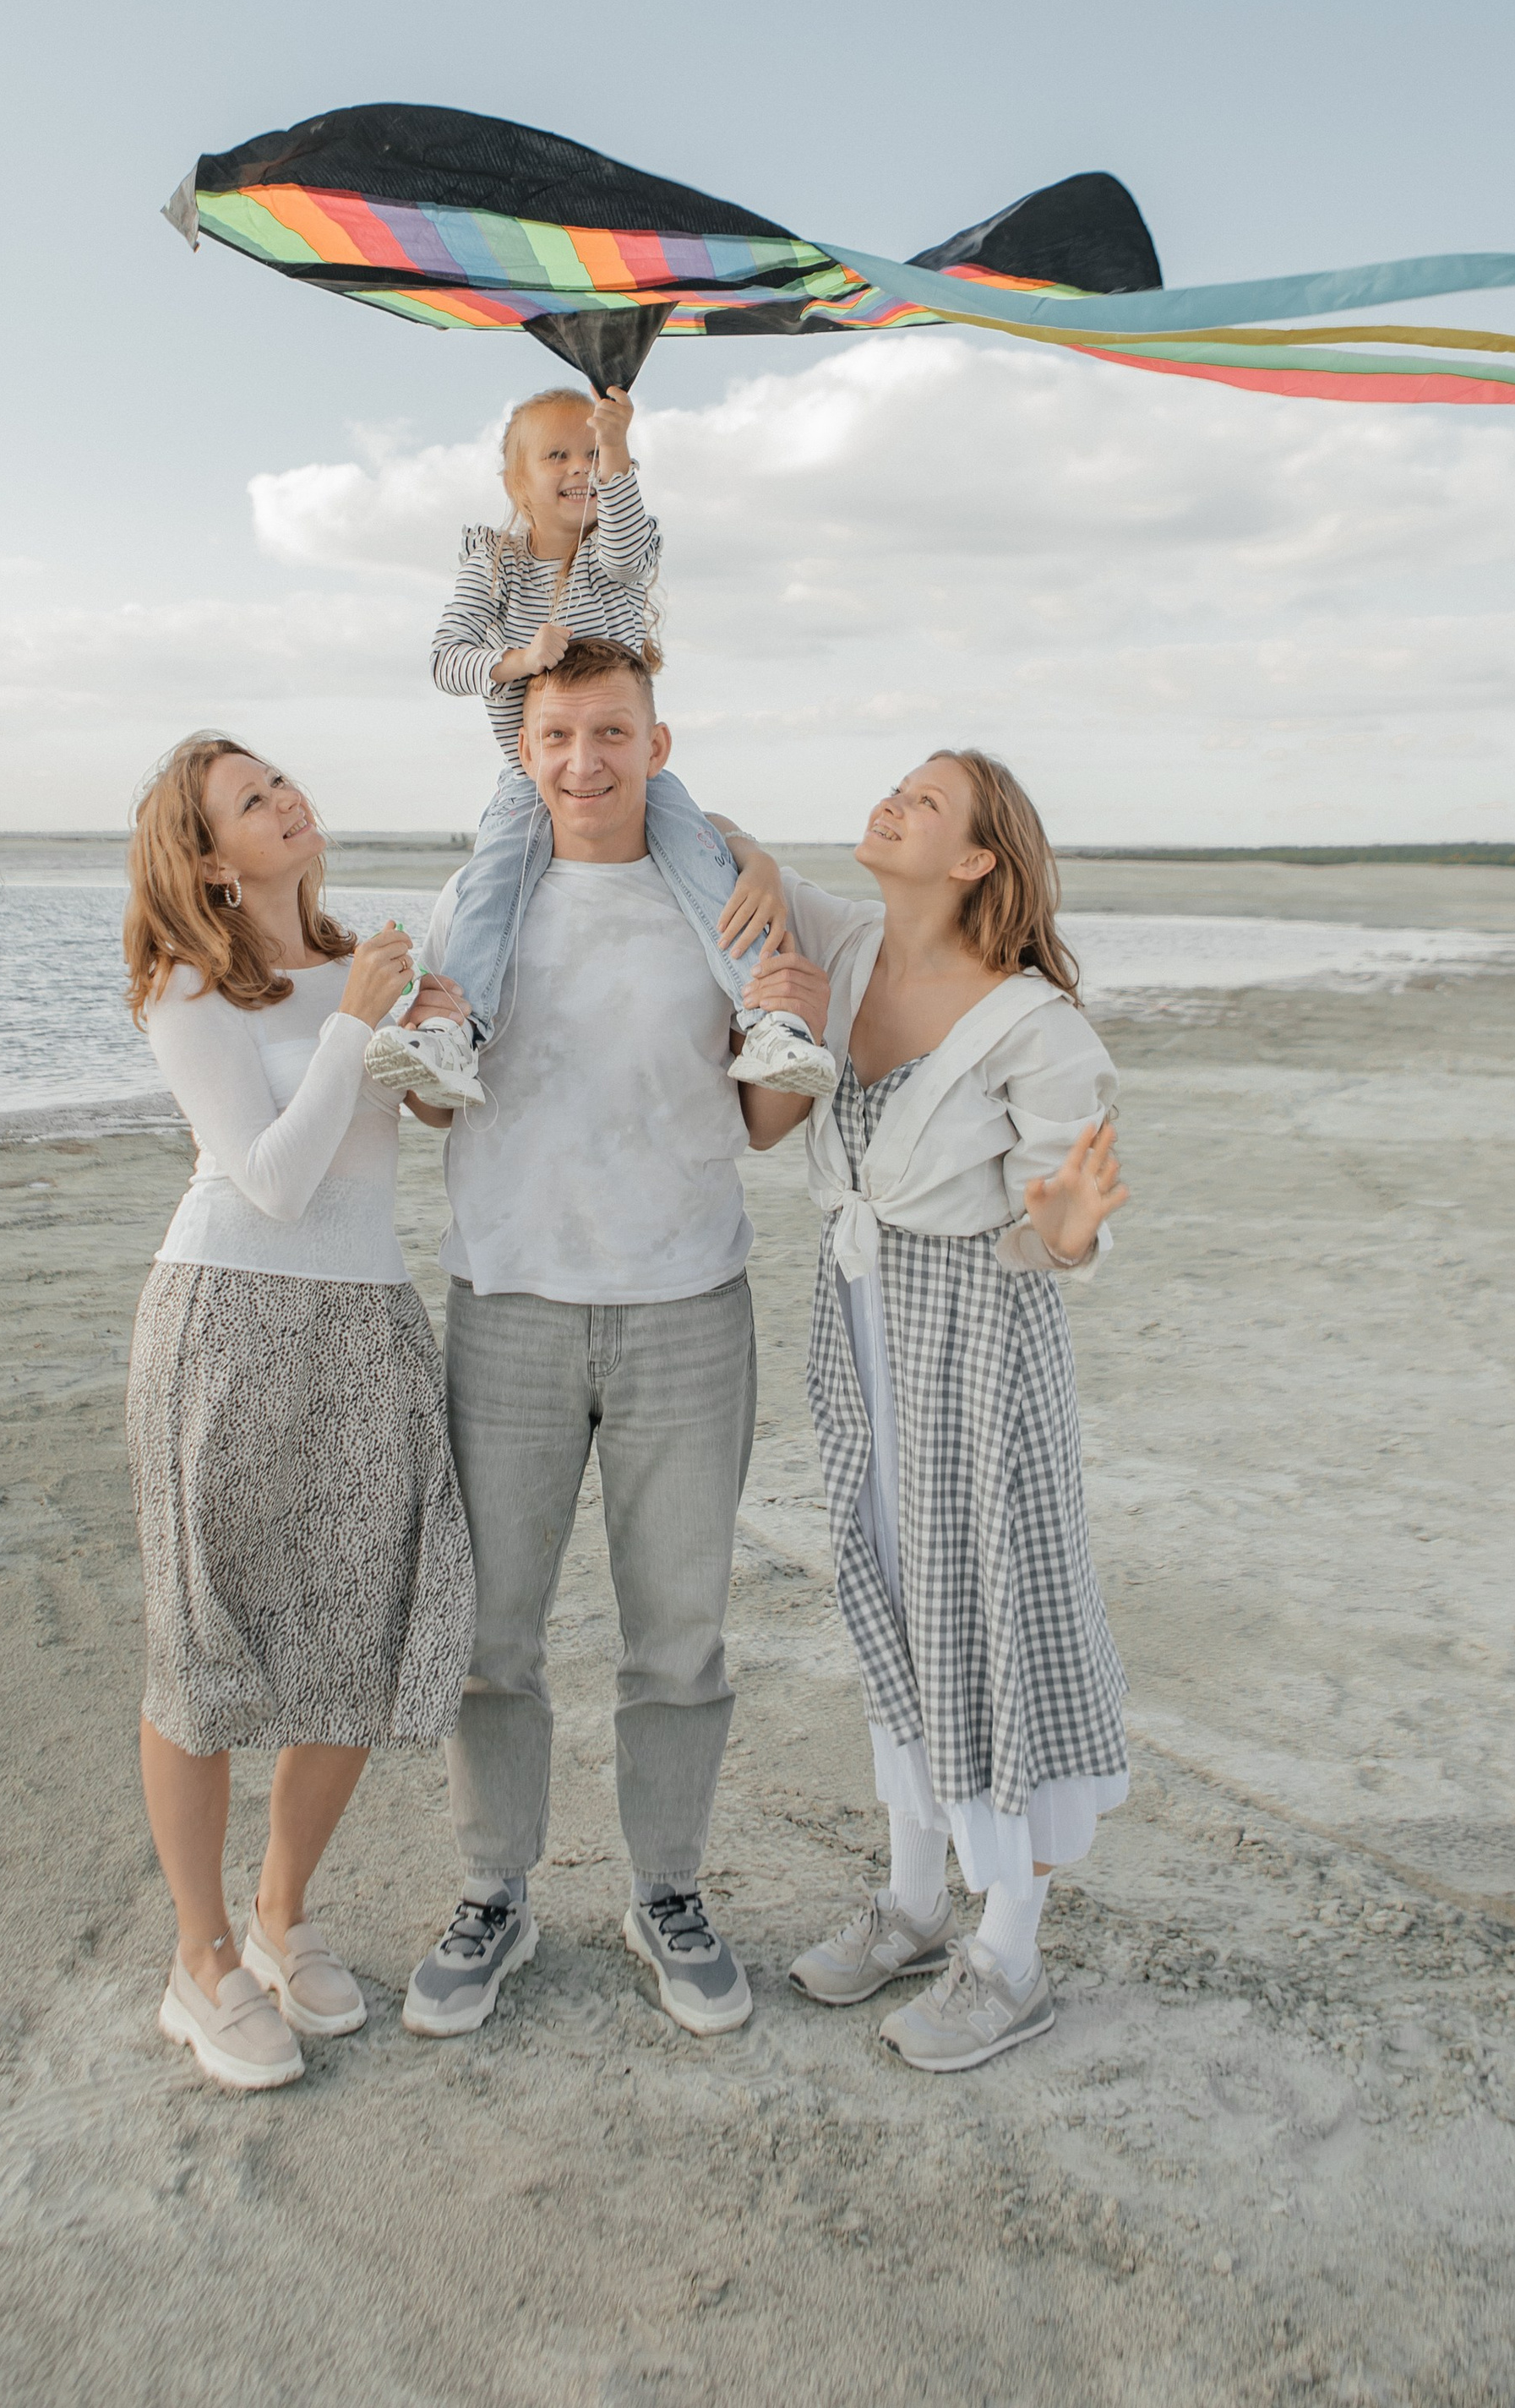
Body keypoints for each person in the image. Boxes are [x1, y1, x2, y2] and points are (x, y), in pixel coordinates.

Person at [395, 635, 816, 2044]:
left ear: (659, 741)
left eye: (614, 732)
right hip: (507, 1302)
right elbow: (435, 1106)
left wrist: (798, 1034)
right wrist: (429, 1034)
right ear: (526, 752)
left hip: (688, 1304)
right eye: (560, 734)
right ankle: (492, 1892)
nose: (587, 760)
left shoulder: (725, 900)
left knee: (679, 1638)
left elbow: (766, 1118)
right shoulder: (478, 895)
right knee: (490, 1635)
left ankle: (669, 1894)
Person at [722, 749, 1131, 2073]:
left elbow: (1063, 1219)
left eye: (928, 801)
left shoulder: (1033, 1024)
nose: (891, 800)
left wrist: (1067, 1231)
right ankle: (911, 1900)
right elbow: (707, 831)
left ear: (975, 863)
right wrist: (755, 859)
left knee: (991, 1613)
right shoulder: (839, 954)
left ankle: (1009, 1947)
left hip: (978, 1341)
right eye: (893, 783)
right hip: (859, 1332)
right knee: (890, 1599)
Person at [122, 733, 477, 2093]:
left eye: (280, 781)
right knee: (204, 1643)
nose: (287, 801)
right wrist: (354, 1023)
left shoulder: (364, 965)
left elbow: (421, 1124)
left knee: (362, 1628)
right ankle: (199, 1958)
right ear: (209, 860)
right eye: (251, 801)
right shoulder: (187, 988)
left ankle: (281, 1915)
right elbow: (267, 1178)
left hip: (365, 1316)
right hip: (227, 1319)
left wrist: (433, 1033)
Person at [362, 382, 833, 1113]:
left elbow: (619, 525)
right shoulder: (492, 563)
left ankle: (768, 1016)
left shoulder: (620, 554)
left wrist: (616, 445)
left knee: (699, 857)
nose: (580, 466)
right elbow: (446, 658)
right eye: (559, 454)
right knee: (493, 880)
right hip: (531, 775)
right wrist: (519, 658)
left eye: (594, 453)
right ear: (518, 481)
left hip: (627, 765)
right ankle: (457, 1027)